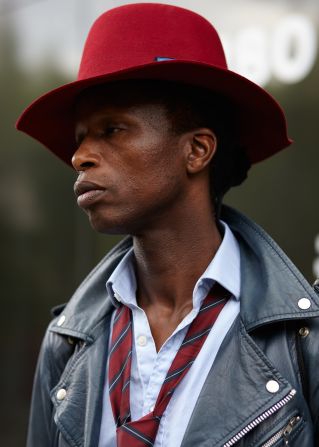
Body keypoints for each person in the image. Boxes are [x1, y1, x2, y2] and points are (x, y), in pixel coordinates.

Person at [16, 3, 319, 447]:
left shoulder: (303, 339)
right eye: (81, 138)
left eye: (112, 129)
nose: (80, 157)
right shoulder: (67, 342)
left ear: (197, 150)